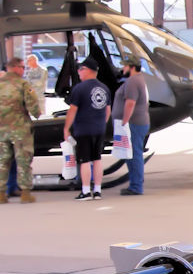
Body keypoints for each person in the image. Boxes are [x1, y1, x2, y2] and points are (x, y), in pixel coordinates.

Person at [0, 57, 40, 204]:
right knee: (23, 161)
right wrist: (37, 114)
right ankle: (25, 193)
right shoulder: (23, 84)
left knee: (2, 161)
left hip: (2, 129)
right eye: (22, 67)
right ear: (16, 68)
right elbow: (32, 104)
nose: (24, 70)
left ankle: (1, 194)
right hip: (21, 130)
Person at [63, 57, 111, 200]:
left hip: (83, 129)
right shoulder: (104, 88)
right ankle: (97, 190)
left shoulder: (79, 88)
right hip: (99, 129)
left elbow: (72, 110)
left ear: (88, 70)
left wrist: (66, 128)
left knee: (84, 160)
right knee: (97, 159)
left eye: (81, 69)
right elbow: (108, 110)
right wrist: (102, 122)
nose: (78, 72)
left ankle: (85, 191)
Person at [113, 56, 150, 196]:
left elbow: (130, 103)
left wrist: (124, 121)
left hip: (133, 123)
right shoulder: (138, 79)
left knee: (133, 155)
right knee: (133, 154)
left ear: (132, 67)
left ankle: (136, 186)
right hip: (136, 122)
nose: (123, 69)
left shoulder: (133, 81)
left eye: (125, 66)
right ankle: (136, 183)